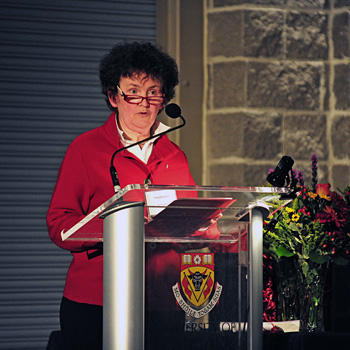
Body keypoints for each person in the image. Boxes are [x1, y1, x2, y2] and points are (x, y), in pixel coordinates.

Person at [46, 41, 196, 349]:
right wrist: (117, 231)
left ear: (164, 99)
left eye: (153, 92)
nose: (144, 103)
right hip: (96, 302)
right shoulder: (86, 149)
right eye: (133, 92)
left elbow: (191, 223)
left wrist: (212, 229)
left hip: (163, 302)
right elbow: (59, 224)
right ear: (114, 97)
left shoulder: (175, 155)